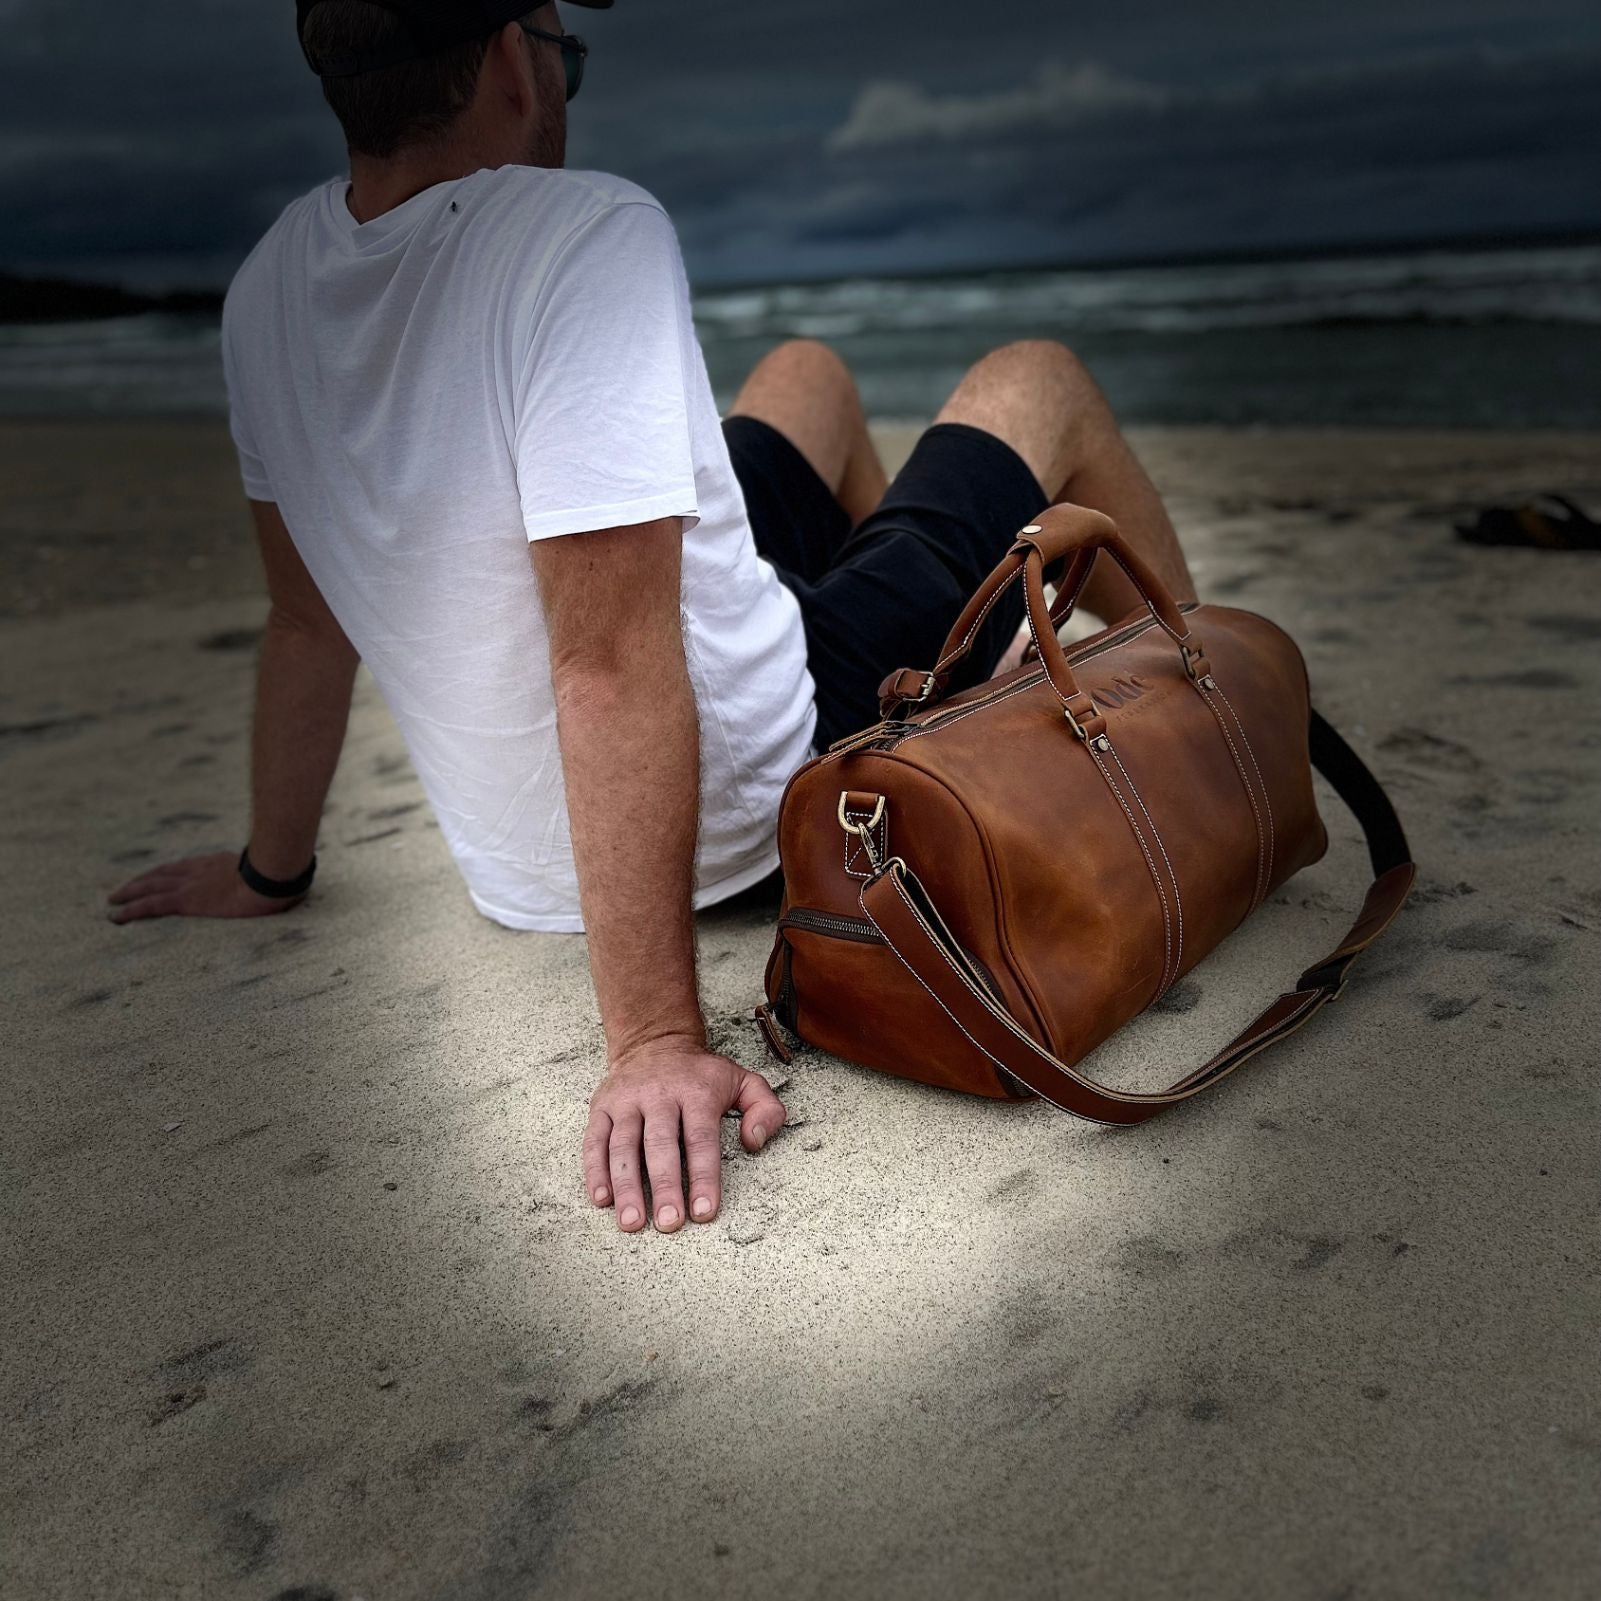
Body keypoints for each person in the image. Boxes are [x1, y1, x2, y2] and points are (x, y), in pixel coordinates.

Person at [107, 1, 1197, 1234]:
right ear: (514, 62)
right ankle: (1202, 690)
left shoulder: (263, 293)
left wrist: (272, 868)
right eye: (566, 49)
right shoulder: (581, 233)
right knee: (1038, 378)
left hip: (529, 867)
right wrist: (653, 1038)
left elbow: (305, 623)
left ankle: (926, 670)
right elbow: (608, 662)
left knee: (806, 375)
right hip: (748, 788)